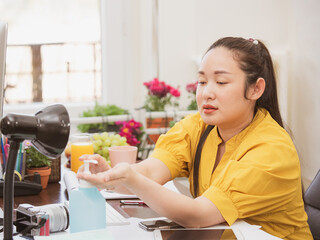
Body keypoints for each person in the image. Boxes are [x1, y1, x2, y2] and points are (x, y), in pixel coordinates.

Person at [78, 37, 313, 240]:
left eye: (221, 82)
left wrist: (129, 178)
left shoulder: (272, 148)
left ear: (255, 89)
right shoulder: (199, 127)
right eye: (202, 82)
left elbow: (197, 215)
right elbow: (150, 172)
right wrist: (111, 176)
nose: (206, 93)